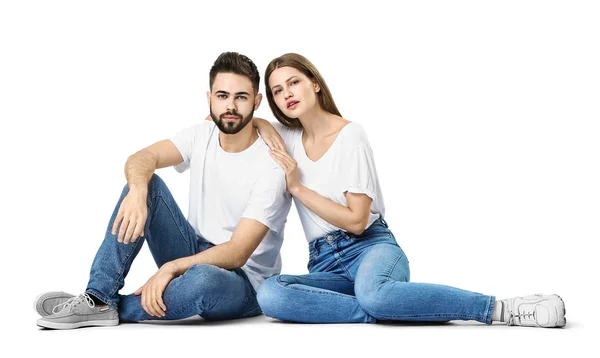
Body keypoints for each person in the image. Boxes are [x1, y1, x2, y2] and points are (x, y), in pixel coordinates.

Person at [253, 53, 566, 328]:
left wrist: (296, 186)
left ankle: (501, 309)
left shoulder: (350, 135)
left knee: (374, 293)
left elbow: (357, 221)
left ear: (315, 83)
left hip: (370, 248)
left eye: (293, 82)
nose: (287, 94)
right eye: (277, 91)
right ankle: (390, 309)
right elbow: (250, 123)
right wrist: (252, 120)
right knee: (271, 294)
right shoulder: (289, 138)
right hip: (325, 264)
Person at [34, 52, 292, 330]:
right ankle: (98, 296)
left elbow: (238, 253)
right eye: (222, 96)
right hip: (193, 250)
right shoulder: (201, 134)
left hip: (243, 282)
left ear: (256, 101)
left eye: (241, 97)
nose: (230, 105)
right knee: (148, 185)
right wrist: (137, 191)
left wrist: (171, 268)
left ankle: (106, 306)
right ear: (209, 99)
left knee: (202, 281)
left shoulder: (271, 166)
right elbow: (141, 158)